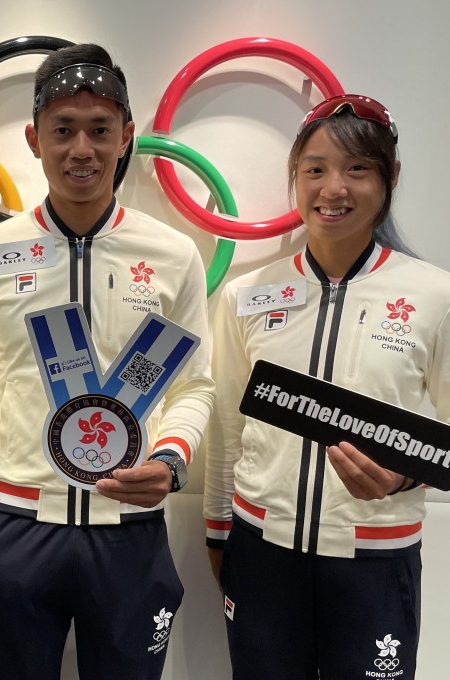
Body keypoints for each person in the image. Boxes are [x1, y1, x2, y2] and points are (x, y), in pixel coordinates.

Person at [0, 44, 214, 679]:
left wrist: (171, 459)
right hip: (17, 525)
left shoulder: (174, 254)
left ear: (126, 136)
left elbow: (194, 386)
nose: (82, 149)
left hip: (129, 528)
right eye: (63, 130)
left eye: (100, 131)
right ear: (33, 138)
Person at [203, 94, 440, 680]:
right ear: (295, 179)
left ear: (390, 178)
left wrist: (406, 471)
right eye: (315, 169)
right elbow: (229, 425)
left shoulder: (436, 297)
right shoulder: (247, 295)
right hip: (262, 552)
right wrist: (218, 534)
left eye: (357, 168)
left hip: (376, 561)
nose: (333, 187)